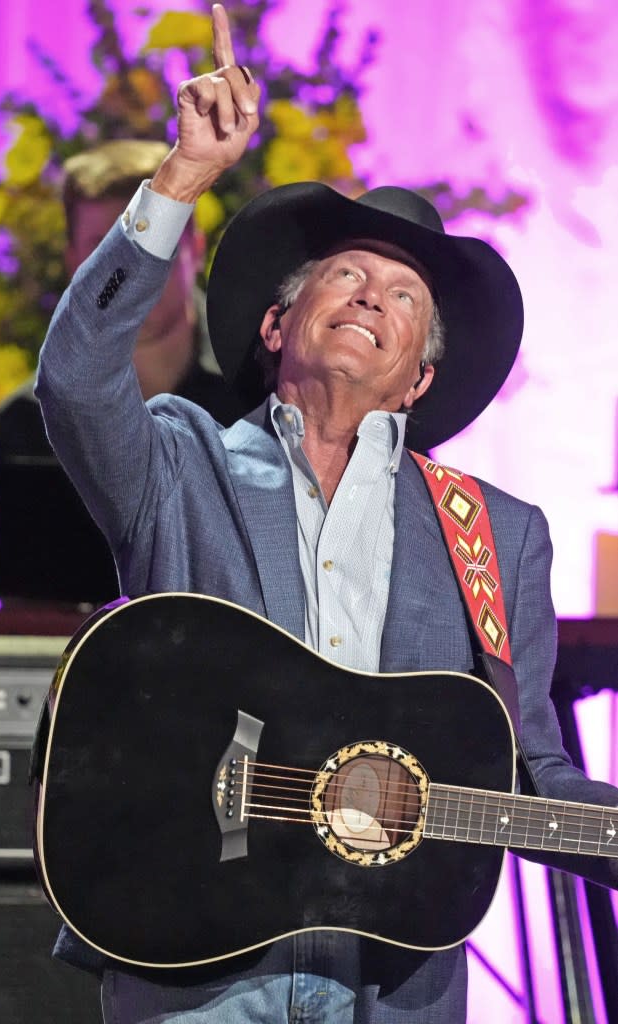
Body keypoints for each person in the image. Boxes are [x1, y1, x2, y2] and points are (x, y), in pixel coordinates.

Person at [35, 5, 618, 1022]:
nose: (368, 294)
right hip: (195, 965)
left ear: (416, 378)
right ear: (274, 325)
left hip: (388, 984)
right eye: (344, 272)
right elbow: (76, 381)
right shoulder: (179, 461)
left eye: (401, 295)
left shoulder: (496, 532)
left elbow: (525, 769)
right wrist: (180, 180)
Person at [0, 138, 243, 606]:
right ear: (73, 264)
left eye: (152, 242)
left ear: (195, 244)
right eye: (105, 254)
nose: (130, 275)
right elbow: (26, 616)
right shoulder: (25, 419)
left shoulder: (259, 395)